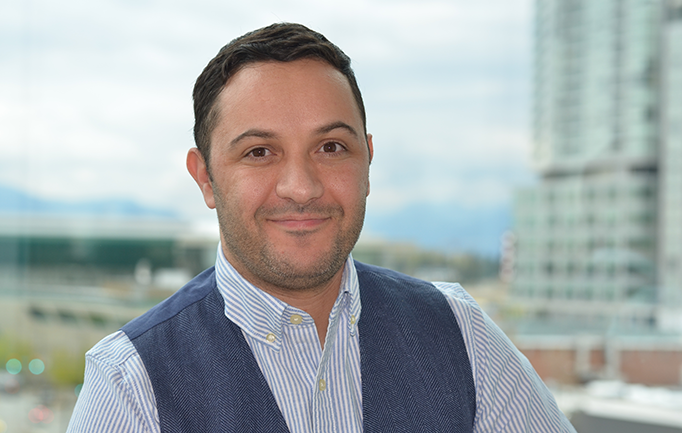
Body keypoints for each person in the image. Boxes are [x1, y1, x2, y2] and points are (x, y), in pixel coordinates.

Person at [67, 23, 576, 432]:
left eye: (331, 147)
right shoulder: (130, 384)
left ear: (368, 162)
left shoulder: (463, 336)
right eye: (259, 152)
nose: (301, 186)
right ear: (205, 178)